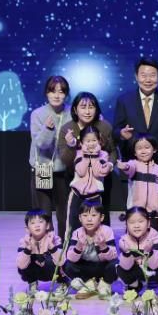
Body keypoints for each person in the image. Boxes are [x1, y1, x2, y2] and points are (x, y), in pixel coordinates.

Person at [58, 92, 116, 227]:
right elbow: (66, 160)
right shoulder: (67, 129)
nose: (87, 111)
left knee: (101, 217)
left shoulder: (105, 127)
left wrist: (109, 165)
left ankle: (103, 240)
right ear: (75, 109)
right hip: (75, 183)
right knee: (74, 218)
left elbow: (113, 151)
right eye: (83, 107)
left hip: (100, 182)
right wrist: (71, 145)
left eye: (91, 107)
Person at [113, 58, 158, 164]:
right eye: (143, 75)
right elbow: (115, 131)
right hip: (132, 163)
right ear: (136, 77)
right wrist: (121, 134)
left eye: (152, 75)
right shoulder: (124, 100)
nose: (148, 80)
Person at [29, 76, 72, 239]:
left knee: (64, 212)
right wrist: (47, 129)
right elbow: (41, 144)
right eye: (53, 91)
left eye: (61, 92)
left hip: (64, 169)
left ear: (66, 94)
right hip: (43, 167)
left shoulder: (72, 113)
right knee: (43, 211)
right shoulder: (38, 114)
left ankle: (64, 244)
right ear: (46, 93)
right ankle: (46, 245)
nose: (57, 95)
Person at [65, 125, 114, 236]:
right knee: (73, 224)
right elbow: (81, 171)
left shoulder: (103, 155)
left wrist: (95, 156)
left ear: (99, 141)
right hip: (77, 195)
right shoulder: (79, 153)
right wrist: (87, 156)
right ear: (82, 143)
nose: (91, 143)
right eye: (87, 141)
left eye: (94, 140)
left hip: (94, 195)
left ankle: (94, 246)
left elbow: (99, 172)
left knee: (94, 225)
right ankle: (71, 246)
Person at [64, 200, 117, 299]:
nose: (89, 219)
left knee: (116, 264)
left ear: (101, 217)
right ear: (80, 218)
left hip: (102, 267)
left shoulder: (107, 231)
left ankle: (105, 284)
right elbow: (70, 258)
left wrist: (103, 246)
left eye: (93, 215)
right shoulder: (77, 233)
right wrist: (78, 247)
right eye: (85, 215)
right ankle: (88, 284)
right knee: (67, 265)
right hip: (85, 268)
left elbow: (113, 256)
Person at [117, 206, 158, 293]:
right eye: (132, 222)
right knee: (119, 268)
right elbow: (125, 267)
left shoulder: (155, 237)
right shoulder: (124, 240)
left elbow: (155, 265)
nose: (136, 226)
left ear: (148, 223)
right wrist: (126, 253)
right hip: (141, 267)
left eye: (141, 221)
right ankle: (135, 286)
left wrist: (149, 252)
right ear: (126, 224)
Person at [115, 134, 158, 217]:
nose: (143, 151)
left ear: (154, 149)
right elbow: (130, 168)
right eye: (139, 148)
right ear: (135, 152)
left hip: (154, 213)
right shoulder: (134, 164)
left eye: (147, 147)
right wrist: (125, 167)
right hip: (136, 211)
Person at [16, 209, 65, 286]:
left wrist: (52, 247)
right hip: (36, 271)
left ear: (47, 225)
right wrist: (28, 250)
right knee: (22, 263)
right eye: (33, 223)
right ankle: (32, 283)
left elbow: (62, 262)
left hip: (51, 271)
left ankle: (61, 283)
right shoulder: (24, 241)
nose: (37, 225)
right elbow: (21, 265)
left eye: (40, 222)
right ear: (27, 229)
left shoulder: (54, 239)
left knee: (61, 263)